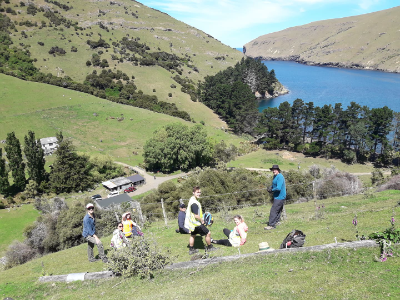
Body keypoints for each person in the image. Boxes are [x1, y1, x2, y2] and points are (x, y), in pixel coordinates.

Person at [184, 186, 217, 255]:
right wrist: (202, 220)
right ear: (193, 193)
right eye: (197, 192)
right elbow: (196, 215)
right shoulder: (194, 203)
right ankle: (210, 247)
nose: (199, 194)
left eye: (200, 192)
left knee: (193, 235)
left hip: (192, 224)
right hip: (197, 223)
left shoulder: (192, 200)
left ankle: (191, 249)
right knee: (208, 233)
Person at [265, 165, 286, 230]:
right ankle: (276, 222)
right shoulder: (275, 176)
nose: (273, 171)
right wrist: (271, 187)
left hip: (280, 196)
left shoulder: (280, 177)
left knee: (273, 210)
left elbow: (278, 188)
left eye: (275, 169)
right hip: (277, 195)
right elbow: (274, 184)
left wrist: (272, 190)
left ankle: (271, 225)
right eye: (273, 169)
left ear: (278, 170)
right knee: (278, 209)